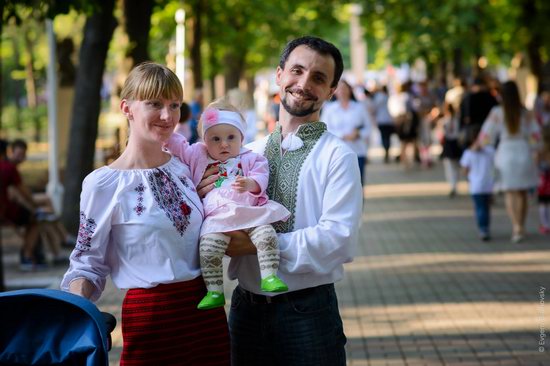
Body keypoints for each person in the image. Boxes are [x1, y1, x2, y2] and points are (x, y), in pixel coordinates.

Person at [60, 62, 230, 365]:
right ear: (127, 107)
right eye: (154, 104)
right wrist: (76, 318)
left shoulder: (184, 166)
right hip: (151, 320)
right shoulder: (103, 185)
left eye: (174, 105)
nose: (167, 116)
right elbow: (87, 263)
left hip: (206, 311)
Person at [207, 36, 362, 366]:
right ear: (279, 75)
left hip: (306, 311)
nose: (304, 84)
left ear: (331, 91)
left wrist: (257, 245)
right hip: (245, 308)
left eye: (319, 78)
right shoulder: (250, 152)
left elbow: (339, 240)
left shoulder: (338, 156)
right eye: (297, 70)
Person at [165, 99, 290, 310]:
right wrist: (165, 133)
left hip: (250, 212)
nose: (224, 144)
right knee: (208, 247)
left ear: (241, 137)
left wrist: (251, 183)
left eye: (231, 137)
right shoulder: (199, 155)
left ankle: (269, 276)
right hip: (217, 216)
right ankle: (215, 290)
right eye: (215, 139)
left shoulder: (251, 158)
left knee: (266, 235)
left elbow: (262, 175)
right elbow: (179, 146)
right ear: (205, 140)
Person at [478, 80, 541, 243]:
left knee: (510, 192)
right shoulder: (525, 113)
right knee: (522, 192)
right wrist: (536, 151)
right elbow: (536, 136)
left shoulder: (497, 112)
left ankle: (515, 226)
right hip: (523, 150)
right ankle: (521, 225)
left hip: (505, 151)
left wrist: (483, 147)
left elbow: (485, 136)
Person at [0, 139, 42, 270]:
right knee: (35, 221)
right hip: (4, 211)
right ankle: (27, 257)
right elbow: (24, 193)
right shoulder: (8, 168)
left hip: (6, 208)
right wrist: (34, 206)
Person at [321, 79, 372, 185]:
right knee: (339, 184)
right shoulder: (329, 109)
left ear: (350, 90)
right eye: (339, 89)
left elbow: (369, 127)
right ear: (334, 91)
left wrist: (358, 134)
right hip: (336, 153)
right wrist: (343, 136)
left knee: (357, 184)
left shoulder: (359, 107)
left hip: (357, 151)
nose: (342, 91)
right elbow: (324, 129)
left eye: (345, 88)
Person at [459, 126, 495, 241]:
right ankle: (485, 227)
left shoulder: (468, 153)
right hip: (488, 185)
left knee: (480, 208)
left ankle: (483, 228)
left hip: (476, 186)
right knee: (486, 207)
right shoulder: (490, 151)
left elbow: (464, 170)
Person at [373, 85, 395, 163]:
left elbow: (374, 107)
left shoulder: (379, 97)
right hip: (388, 120)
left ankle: (386, 151)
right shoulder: (388, 97)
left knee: (384, 137)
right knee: (387, 137)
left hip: (382, 120)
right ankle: (387, 151)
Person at [537, 124, 550, 234]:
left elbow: (536, 162)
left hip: (542, 179)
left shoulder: (541, 149)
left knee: (542, 202)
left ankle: (544, 224)